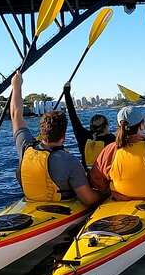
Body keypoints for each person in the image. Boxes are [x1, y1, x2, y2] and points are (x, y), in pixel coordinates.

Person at [11, 71, 103, 205]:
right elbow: (88, 199)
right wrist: (105, 193)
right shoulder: (70, 161)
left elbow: (15, 115)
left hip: (31, 203)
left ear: (42, 132)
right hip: (61, 210)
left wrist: (16, 86)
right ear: (64, 136)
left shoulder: (25, 147)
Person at [63, 82, 116, 169]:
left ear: (91, 126)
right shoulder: (111, 139)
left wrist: (66, 92)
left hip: (85, 177)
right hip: (103, 179)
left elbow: (72, 115)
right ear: (106, 127)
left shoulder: (82, 136)